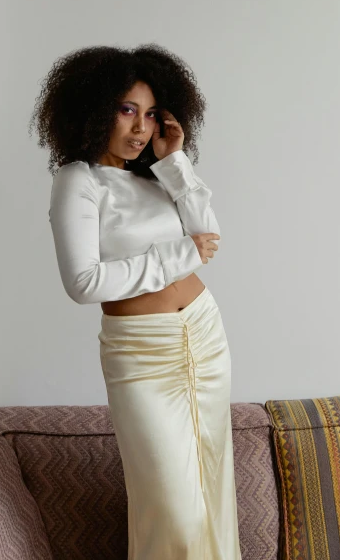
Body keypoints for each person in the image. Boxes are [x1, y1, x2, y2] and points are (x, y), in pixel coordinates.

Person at [29, 43, 242, 559]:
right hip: (143, 355)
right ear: (95, 109)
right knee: (173, 509)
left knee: (214, 497)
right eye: (127, 110)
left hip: (204, 336)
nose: (140, 127)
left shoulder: (156, 174)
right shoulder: (77, 179)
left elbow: (207, 235)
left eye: (150, 114)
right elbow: (83, 282)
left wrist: (175, 163)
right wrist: (176, 257)